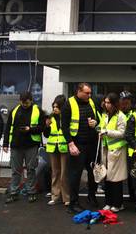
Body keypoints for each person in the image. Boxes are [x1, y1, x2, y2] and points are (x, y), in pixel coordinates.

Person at [61, 83, 100, 214]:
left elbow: (96, 119)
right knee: (75, 174)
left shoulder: (91, 102)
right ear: (79, 91)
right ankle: (73, 203)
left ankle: (92, 196)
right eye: (87, 93)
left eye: (90, 93)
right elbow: (64, 126)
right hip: (77, 144)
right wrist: (70, 144)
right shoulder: (69, 104)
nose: (89, 95)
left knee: (93, 172)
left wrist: (95, 123)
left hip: (91, 143)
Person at [3, 91, 46, 203]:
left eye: (26, 102)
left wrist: (30, 129)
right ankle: (14, 192)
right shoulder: (15, 111)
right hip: (16, 145)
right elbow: (7, 128)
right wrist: (5, 143)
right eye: (22, 102)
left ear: (31, 100)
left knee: (31, 169)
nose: (24, 105)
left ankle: (31, 192)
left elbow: (42, 127)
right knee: (15, 170)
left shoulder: (38, 111)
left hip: (31, 144)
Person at [97, 92, 128, 212]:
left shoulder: (121, 116)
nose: (106, 104)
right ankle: (108, 202)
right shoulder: (105, 115)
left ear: (115, 103)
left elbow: (122, 133)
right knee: (107, 178)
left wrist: (106, 132)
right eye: (105, 102)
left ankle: (118, 204)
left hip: (117, 151)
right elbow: (101, 128)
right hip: (106, 149)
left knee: (116, 179)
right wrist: (98, 128)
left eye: (109, 102)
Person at [43, 95, 70, 206]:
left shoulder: (67, 118)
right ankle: (55, 196)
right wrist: (47, 126)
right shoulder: (50, 118)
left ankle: (66, 198)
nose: (55, 109)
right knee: (55, 173)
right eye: (54, 106)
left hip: (64, 148)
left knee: (64, 174)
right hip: (53, 148)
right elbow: (46, 134)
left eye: (57, 107)